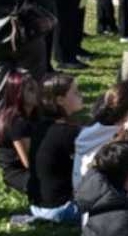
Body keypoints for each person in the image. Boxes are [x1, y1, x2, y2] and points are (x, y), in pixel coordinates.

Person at [21, 74, 85, 225]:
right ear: (60, 100)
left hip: (37, 206)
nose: (81, 96)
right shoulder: (68, 132)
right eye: (75, 92)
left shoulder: (42, 127)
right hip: (60, 209)